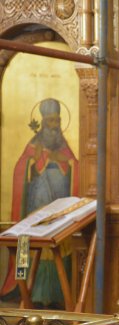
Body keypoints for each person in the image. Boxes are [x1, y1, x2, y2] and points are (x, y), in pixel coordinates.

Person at [1, 98, 79, 307]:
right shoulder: (33, 145)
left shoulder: (63, 146)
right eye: (51, 121)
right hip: (35, 208)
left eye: (57, 120)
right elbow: (21, 168)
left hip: (59, 212)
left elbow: (75, 166)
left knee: (58, 248)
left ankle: (57, 296)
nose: (55, 125)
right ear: (43, 123)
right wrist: (33, 161)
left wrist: (63, 161)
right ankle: (29, 294)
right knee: (32, 247)